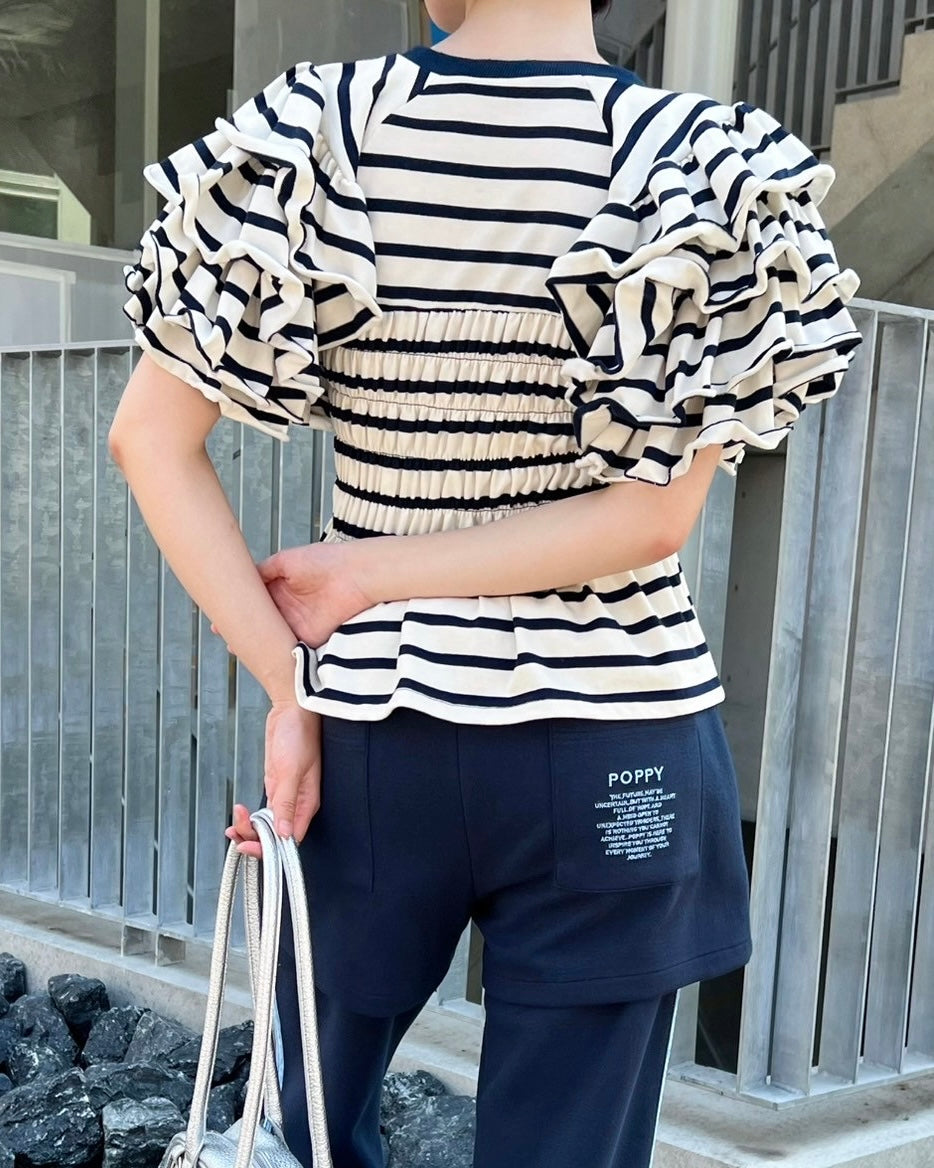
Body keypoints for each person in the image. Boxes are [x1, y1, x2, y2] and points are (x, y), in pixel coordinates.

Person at [110, 0, 863, 1164]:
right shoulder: (702, 163)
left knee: (301, 1130)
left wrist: (297, 679)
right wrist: (365, 586)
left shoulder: (317, 130)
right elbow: (651, 520)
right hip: (618, 737)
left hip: (374, 729)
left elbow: (148, 442)